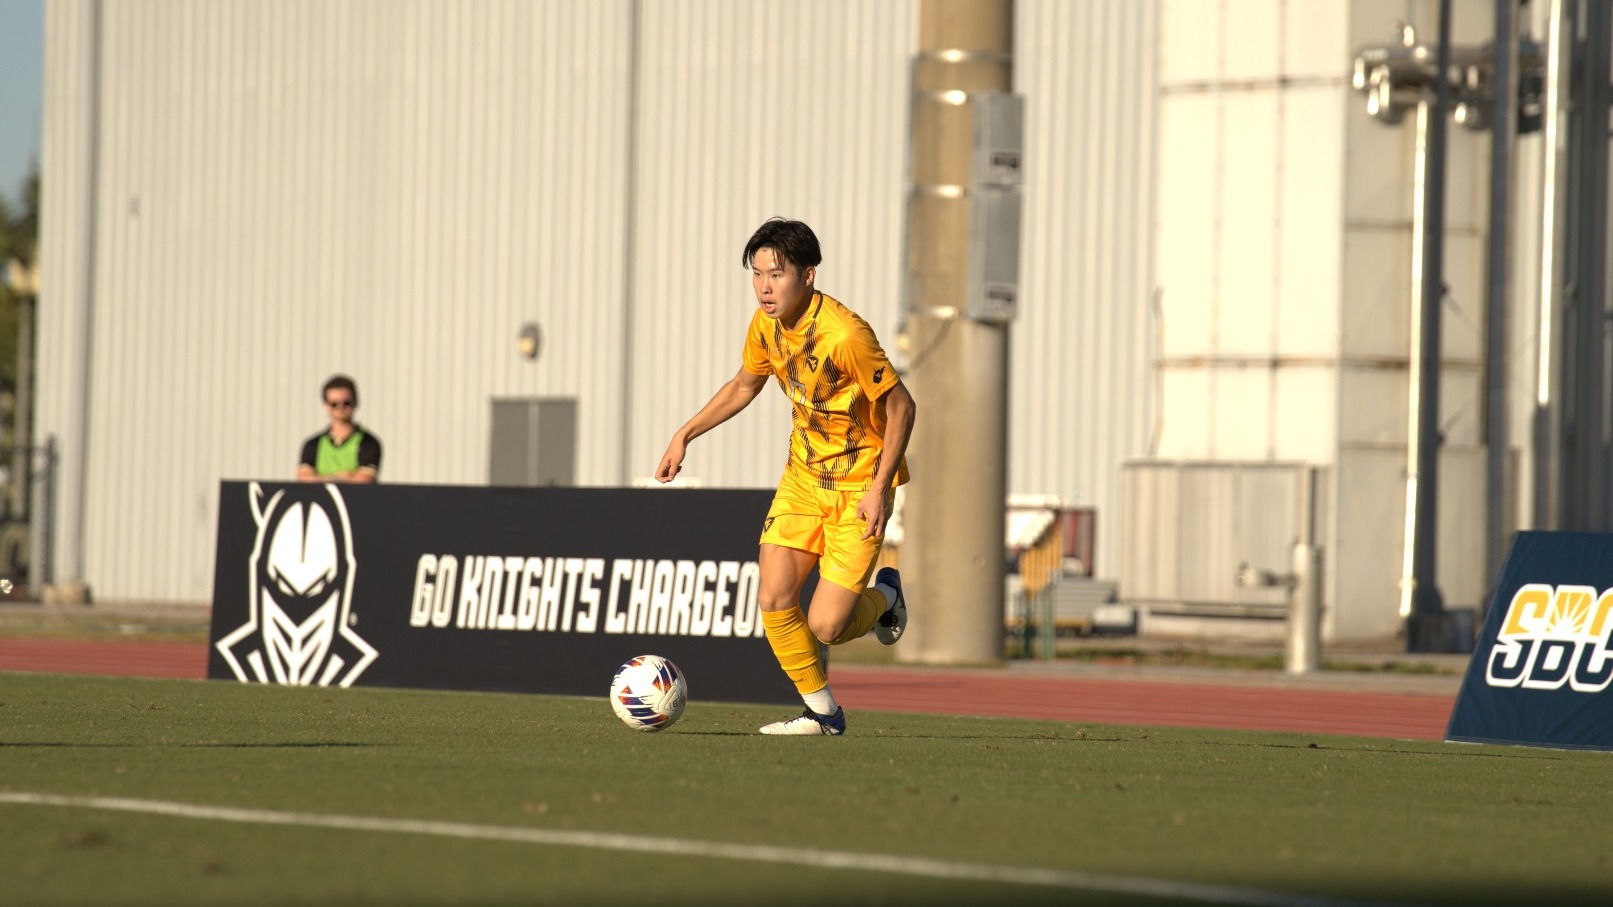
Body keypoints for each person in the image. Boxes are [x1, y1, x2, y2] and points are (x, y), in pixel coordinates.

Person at [656, 218, 916, 736]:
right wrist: (685, 434)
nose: (764, 287)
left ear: (809, 275)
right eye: (756, 274)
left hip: (858, 487)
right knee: (773, 597)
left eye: (776, 274)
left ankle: (887, 595)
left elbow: (903, 406)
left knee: (827, 625)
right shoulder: (764, 326)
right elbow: (743, 385)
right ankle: (824, 715)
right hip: (802, 479)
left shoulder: (845, 335)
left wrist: (880, 488)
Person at [297, 374, 382, 484]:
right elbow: (303, 478)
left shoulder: (368, 442)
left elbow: (364, 480)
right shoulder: (313, 444)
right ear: (326, 406)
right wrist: (341, 477)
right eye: (334, 404)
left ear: (355, 402)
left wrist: (319, 478)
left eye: (346, 403)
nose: (340, 408)